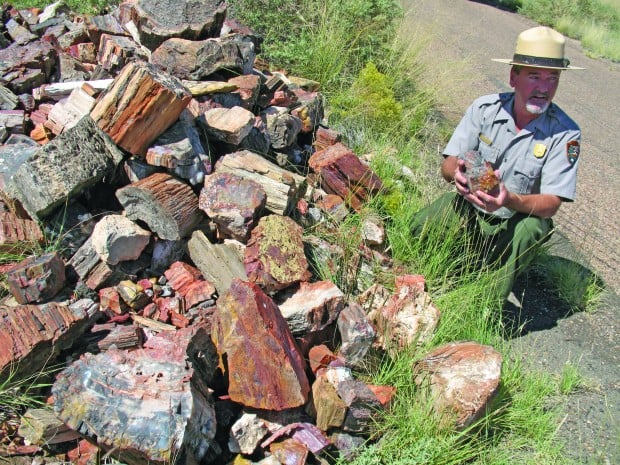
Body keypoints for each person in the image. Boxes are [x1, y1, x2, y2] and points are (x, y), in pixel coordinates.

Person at [411, 26, 584, 299]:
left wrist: (508, 199)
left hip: (515, 221)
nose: (544, 87)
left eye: (553, 78)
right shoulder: (485, 109)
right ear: (514, 76)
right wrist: (456, 173)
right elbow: (448, 164)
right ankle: (415, 278)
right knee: (423, 225)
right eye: (534, 76)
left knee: (529, 229)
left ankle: (484, 304)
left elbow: (551, 205)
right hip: (472, 209)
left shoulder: (565, 133)